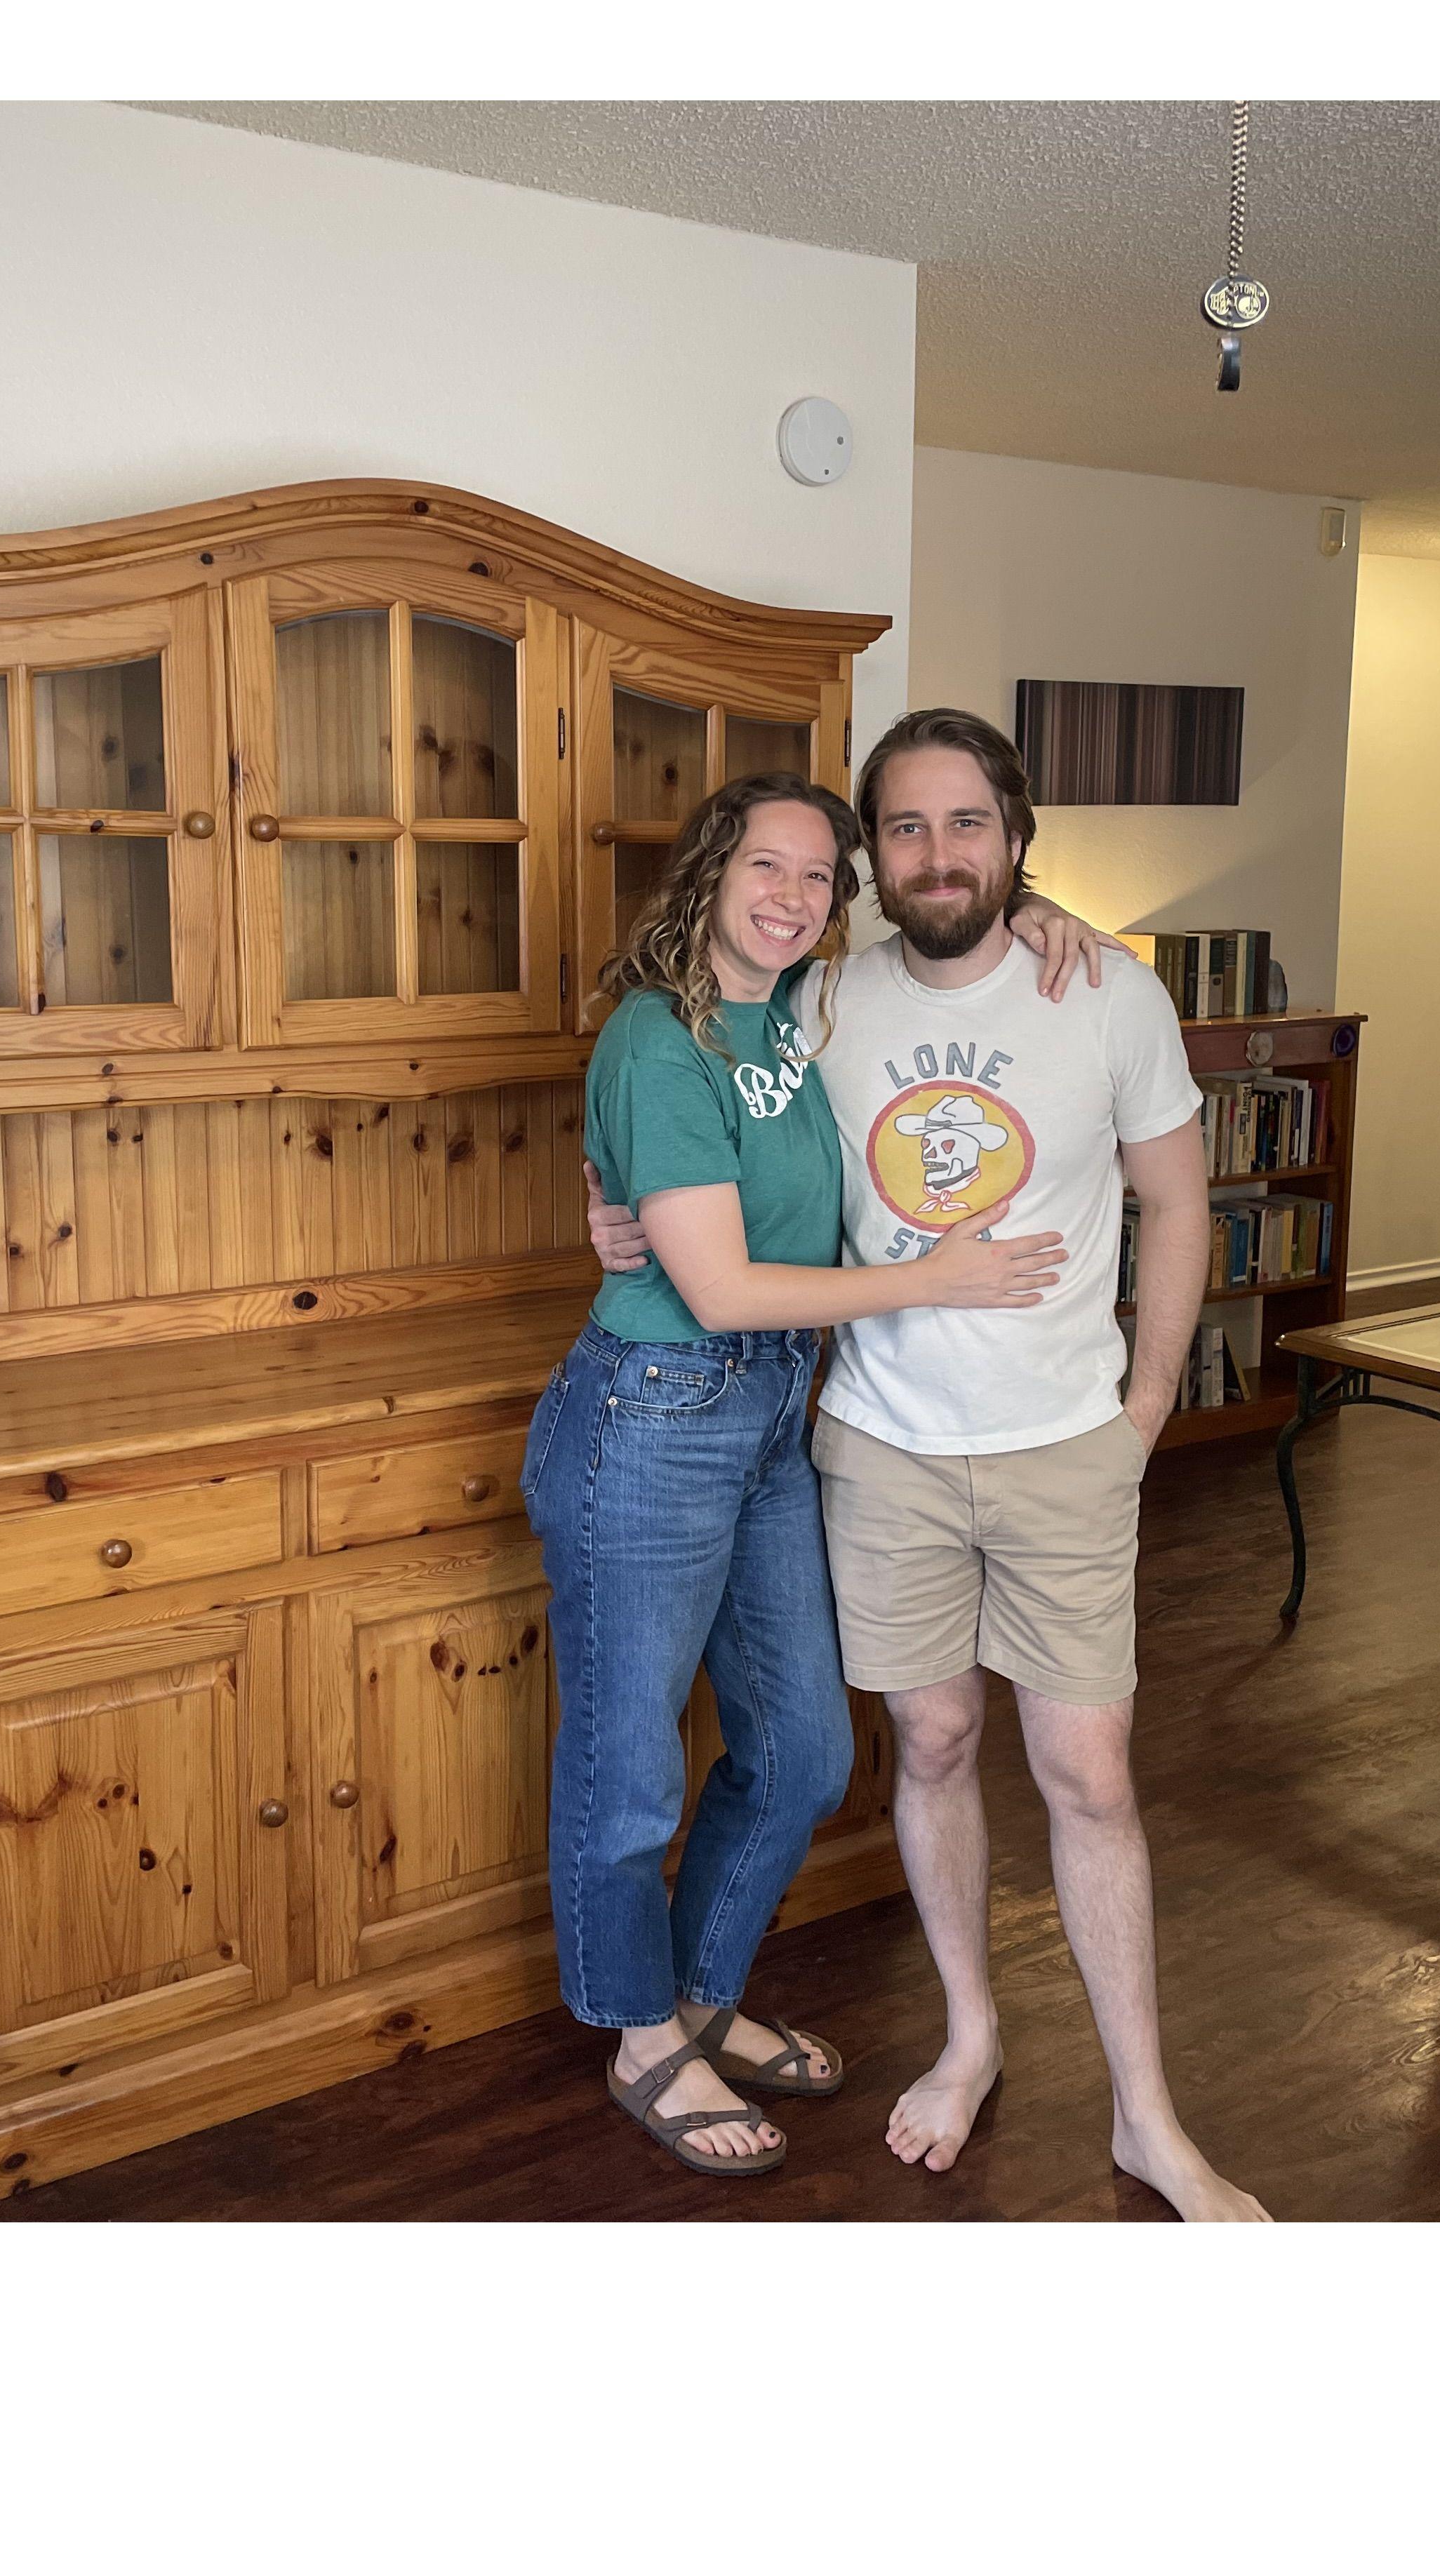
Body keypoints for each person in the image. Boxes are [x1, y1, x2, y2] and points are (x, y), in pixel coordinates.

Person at [589, 709, 1270, 2220]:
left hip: (1065, 1450)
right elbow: (683, 1082)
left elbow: (1179, 1201)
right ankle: (970, 2036)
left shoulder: (1109, 992)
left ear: (1018, 838)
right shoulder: (820, 998)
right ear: (872, 862)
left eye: (970, 824)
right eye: (905, 829)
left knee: (1088, 1773)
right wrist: (608, 1198)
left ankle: (1147, 2116)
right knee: (937, 1745)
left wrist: (1151, 1406)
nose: (939, 854)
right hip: (880, 1451)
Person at [529, 766, 1114, 2178]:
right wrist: (933, 1280)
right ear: (708, 875)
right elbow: (723, 1289)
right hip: (653, 1414)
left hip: (773, 1414)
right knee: (628, 1767)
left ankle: (698, 1997)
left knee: (801, 1753)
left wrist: (1045, 915)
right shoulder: (658, 1038)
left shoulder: (805, 1007)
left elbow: (950, 939)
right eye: (766, 869)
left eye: (818, 877)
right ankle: (641, 2036)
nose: (794, 899)